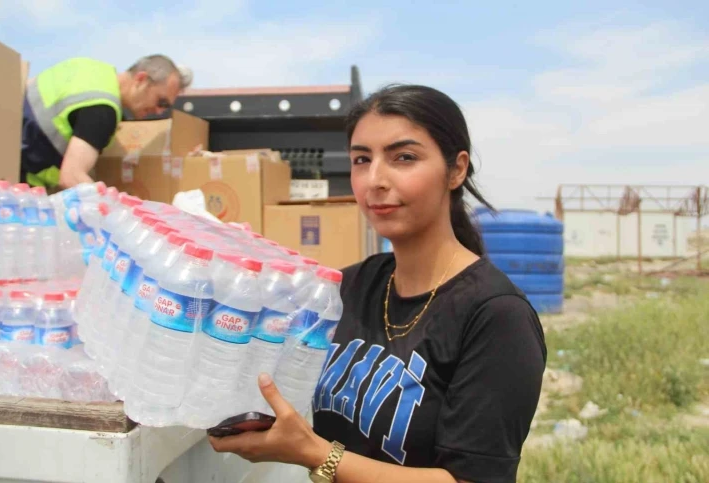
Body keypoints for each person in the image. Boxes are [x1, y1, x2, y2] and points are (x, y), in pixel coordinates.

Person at [208, 85, 547, 483]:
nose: (375, 180)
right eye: (361, 159)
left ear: (456, 170)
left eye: (404, 157)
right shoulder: (353, 285)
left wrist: (316, 454)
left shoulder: (496, 315)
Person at [20, 55, 193, 189]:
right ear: (141, 79)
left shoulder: (90, 70)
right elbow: (71, 176)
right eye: (161, 102)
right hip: (17, 183)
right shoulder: (104, 110)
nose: (160, 111)